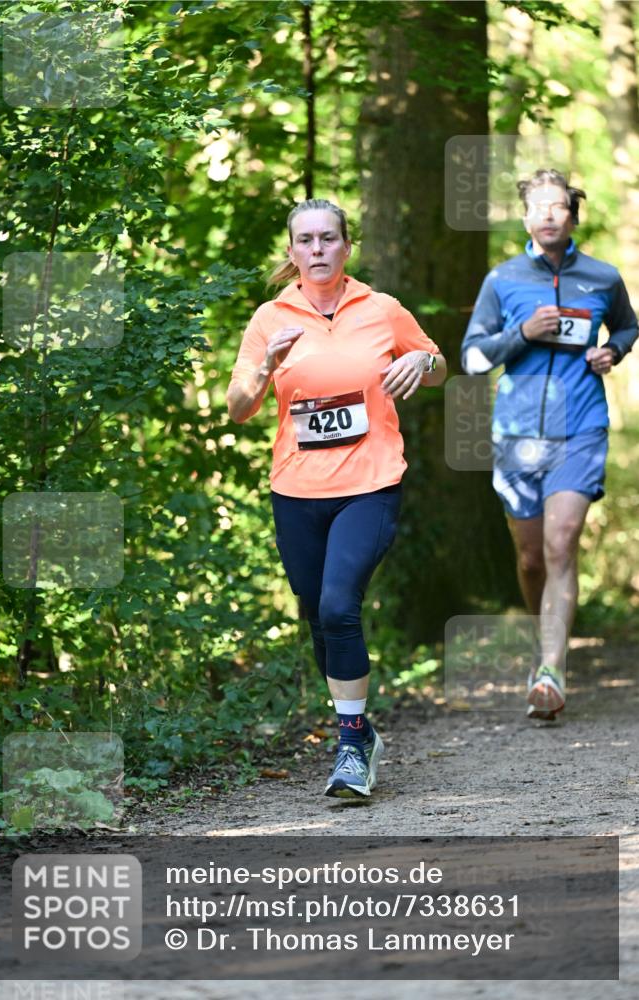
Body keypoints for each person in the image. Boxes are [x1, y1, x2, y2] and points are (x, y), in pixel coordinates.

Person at [227, 199, 446, 797]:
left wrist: (424, 359)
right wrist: (266, 367)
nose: (318, 248)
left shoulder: (382, 309)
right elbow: (238, 406)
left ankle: (350, 746)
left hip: (370, 483)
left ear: (348, 246)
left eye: (329, 238)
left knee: (338, 605)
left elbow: (437, 365)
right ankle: (362, 731)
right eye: (307, 240)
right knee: (318, 613)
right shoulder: (270, 318)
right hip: (295, 490)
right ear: (292, 253)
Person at [461, 169, 637, 720]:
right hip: (517, 438)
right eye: (538, 206)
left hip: (581, 428)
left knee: (562, 542)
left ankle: (552, 667)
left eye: (558, 205)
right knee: (532, 557)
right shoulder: (503, 280)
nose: (548, 214)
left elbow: (629, 328)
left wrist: (614, 352)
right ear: (525, 217)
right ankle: (545, 648)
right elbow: (470, 358)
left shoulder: (603, 278)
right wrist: (523, 334)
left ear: (572, 214)